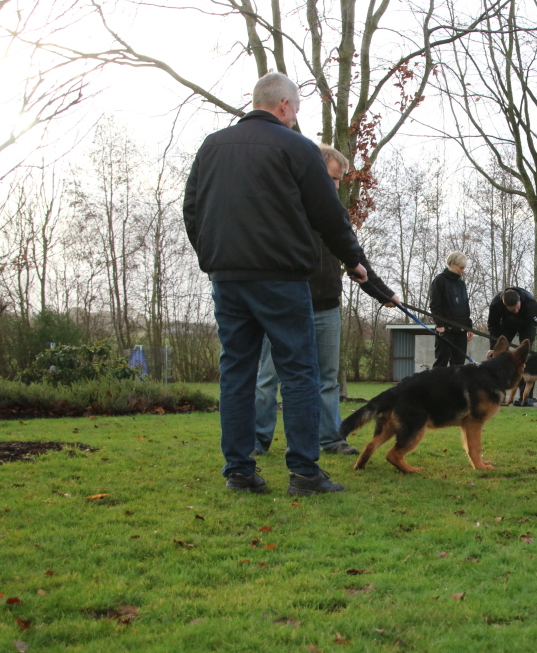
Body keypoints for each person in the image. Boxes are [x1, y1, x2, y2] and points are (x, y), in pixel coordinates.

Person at [184, 72, 369, 496]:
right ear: (284, 105)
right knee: (299, 372)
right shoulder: (297, 148)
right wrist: (353, 260)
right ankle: (304, 473)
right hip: (280, 278)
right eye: (297, 109)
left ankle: (239, 471)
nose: (296, 117)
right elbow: (329, 214)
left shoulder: (212, 146)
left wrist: (213, 257)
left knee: (236, 372)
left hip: (228, 279)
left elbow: (192, 209)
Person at [254, 145, 401, 458]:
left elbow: (355, 257)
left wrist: (383, 294)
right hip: (282, 304)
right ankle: (258, 440)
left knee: (327, 380)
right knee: (268, 377)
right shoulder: (285, 206)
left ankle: (331, 440)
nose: (335, 186)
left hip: (326, 307)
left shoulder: (335, 212)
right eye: (333, 178)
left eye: (339, 180)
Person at [487, 287, 537, 405]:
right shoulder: (496, 304)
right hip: (507, 325)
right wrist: (493, 347)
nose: (516, 310)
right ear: (505, 305)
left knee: (525, 358)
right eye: (513, 309)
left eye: (518, 307)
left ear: (520, 301)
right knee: (498, 356)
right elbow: (493, 325)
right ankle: (499, 394)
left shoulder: (530, 303)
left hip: (527, 325)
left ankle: (526, 398)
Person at [428, 251, 473, 367]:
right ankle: (437, 380)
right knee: (441, 363)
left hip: (461, 331)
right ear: (452, 264)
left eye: (464, 268)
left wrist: (469, 326)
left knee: (459, 365)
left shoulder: (461, 284)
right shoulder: (439, 280)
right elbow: (435, 305)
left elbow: (465, 306)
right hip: (445, 330)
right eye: (461, 268)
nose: (463, 271)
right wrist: (439, 325)